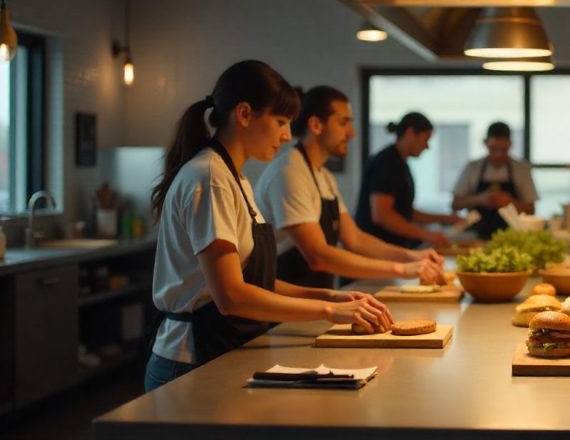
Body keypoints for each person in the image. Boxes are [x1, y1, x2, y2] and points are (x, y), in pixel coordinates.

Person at [145, 61, 392, 391]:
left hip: (221, 348)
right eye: (280, 122)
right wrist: (328, 310)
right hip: (188, 359)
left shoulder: (235, 178)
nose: (288, 135)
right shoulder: (210, 178)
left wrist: (331, 296)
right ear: (244, 114)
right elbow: (231, 295)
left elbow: (255, 281)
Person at [255, 86, 446, 289]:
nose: (352, 133)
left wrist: (414, 257)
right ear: (316, 125)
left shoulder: (324, 176)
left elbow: (356, 239)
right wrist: (401, 269)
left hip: (314, 295)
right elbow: (318, 255)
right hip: (283, 300)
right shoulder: (290, 172)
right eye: (344, 122)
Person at [355, 112, 462, 248]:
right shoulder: (386, 162)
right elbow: (382, 215)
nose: (427, 146)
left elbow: (405, 211)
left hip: (393, 248)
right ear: (411, 133)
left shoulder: (400, 163)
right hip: (378, 248)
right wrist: (425, 234)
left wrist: (445, 218)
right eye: (426, 139)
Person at [451, 121, 539, 239]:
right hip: (476, 236)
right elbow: (455, 204)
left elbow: (531, 210)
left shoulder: (521, 169)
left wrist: (510, 202)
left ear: (510, 144)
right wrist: (480, 199)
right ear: (485, 143)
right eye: (493, 148)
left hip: (513, 237)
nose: (498, 154)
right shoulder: (472, 168)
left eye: (503, 149)